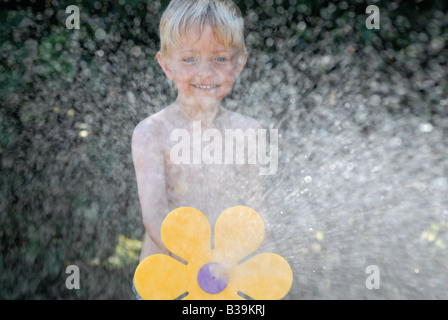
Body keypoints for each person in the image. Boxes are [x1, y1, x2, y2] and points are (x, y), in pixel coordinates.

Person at [131, 0, 271, 299]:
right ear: (166, 65)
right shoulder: (152, 132)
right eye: (190, 59)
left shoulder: (249, 132)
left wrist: (265, 277)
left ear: (240, 63)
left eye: (220, 58)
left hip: (229, 282)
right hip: (167, 283)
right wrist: (197, 262)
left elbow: (255, 210)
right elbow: (154, 215)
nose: (205, 72)